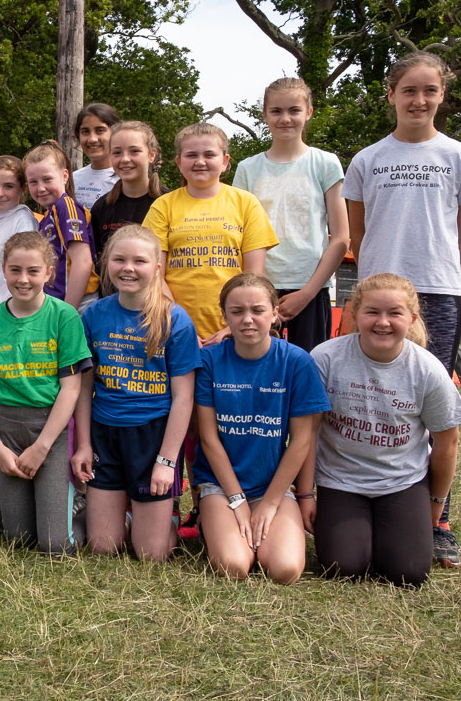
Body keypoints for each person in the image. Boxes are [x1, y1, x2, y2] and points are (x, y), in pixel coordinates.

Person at [340, 51, 461, 566]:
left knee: (436, 403)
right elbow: (358, 234)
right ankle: (354, 492)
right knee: (371, 398)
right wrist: (365, 293)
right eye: (408, 90)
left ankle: (439, 519)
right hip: (377, 294)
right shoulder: (367, 159)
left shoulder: (456, 154)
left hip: (439, 289)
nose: (419, 100)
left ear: (442, 96)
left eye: (429, 91)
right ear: (390, 95)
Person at [309, 274, 461, 585]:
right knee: (343, 566)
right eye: (372, 312)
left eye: (395, 313)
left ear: (412, 318)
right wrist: (304, 494)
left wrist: (435, 505)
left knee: (408, 572)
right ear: (354, 314)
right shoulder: (325, 358)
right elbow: (306, 435)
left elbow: (448, 442)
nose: (383, 322)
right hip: (341, 480)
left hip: (403, 481)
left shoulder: (428, 371)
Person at [192, 274, 330, 585]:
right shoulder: (209, 360)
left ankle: (261, 522)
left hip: (273, 486)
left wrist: (269, 504)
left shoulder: (296, 362)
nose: (248, 319)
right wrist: (238, 501)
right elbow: (209, 439)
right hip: (221, 485)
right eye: (237, 311)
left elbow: (301, 441)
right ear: (225, 316)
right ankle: (210, 520)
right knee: (234, 565)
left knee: (285, 569)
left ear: (274, 313)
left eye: (257, 310)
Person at [72, 225, 199, 562]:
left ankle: (162, 514)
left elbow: (184, 398)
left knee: (152, 554)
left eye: (139, 261)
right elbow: (84, 387)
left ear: (157, 267)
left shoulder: (176, 320)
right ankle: (127, 513)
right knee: (103, 546)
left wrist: (166, 462)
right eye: (119, 260)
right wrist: (84, 444)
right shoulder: (94, 315)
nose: (128, 268)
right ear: (106, 264)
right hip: (106, 431)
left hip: (153, 435)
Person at [0, 231, 91, 553]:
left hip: (49, 431)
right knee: (18, 541)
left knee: (55, 545)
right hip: (7, 431)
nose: (23, 279)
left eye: (33, 271)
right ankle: (49, 506)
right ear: (3, 269)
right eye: (15, 270)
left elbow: (71, 387)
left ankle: (81, 508)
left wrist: (42, 446)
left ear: (49, 273)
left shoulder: (63, 316)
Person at [233, 78, 348, 351]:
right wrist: (258, 290)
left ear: (308, 112)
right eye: (276, 111)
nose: (285, 118)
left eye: (294, 110)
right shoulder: (248, 169)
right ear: (265, 114)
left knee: (308, 370)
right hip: (258, 289)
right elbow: (239, 235)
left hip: (311, 289)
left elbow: (342, 238)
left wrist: (306, 294)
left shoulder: (325, 163)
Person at [143, 122, 278, 345]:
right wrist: (178, 323)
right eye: (191, 155)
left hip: (235, 331)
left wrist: (231, 327)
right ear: (178, 162)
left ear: (225, 162)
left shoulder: (246, 204)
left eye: (209, 154)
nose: (200, 161)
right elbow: (153, 273)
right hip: (174, 328)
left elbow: (254, 276)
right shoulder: (163, 206)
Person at [89, 121, 167, 277]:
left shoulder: (168, 203)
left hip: (158, 298)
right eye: (117, 152)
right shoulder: (102, 207)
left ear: (151, 154)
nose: (125, 159)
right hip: (112, 298)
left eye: (134, 151)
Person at [24, 141, 96, 308]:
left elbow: (83, 262)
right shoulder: (48, 215)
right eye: (33, 182)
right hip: (56, 302)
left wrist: (67, 311)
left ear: (64, 176)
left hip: (77, 303)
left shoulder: (66, 207)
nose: (40, 188)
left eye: (47, 179)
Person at [0, 155, 39, 303]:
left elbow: (22, 269)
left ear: (23, 188)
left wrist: (3, 307)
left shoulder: (23, 221)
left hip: (3, 308)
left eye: (8, 186)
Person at [71, 103, 123, 210]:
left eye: (100, 130)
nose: (92, 139)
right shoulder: (72, 180)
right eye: (85, 131)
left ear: (115, 132)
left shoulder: (126, 179)